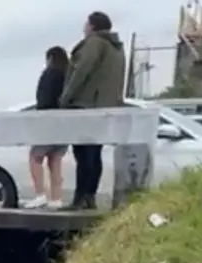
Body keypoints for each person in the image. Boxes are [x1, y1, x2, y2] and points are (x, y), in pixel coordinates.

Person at [60, 11, 126, 210]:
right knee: (94, 153)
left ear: (93, 26)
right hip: (105, 105)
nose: (84, 27)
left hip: (86, 104)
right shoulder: (117, 48)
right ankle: (89, 197)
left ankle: (79, 199)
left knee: (83, 154)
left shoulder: (95, 43)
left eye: (86, 24)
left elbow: (82, 70)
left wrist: (66, 96)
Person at [23, 46, 70, 209]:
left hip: (48, 121)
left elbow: (44, 99)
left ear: (50, 58)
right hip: (65, 124)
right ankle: (56, 198)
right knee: (55, 160)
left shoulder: (49, 74)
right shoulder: (69, 75)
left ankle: (40, 195)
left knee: (35, 157)